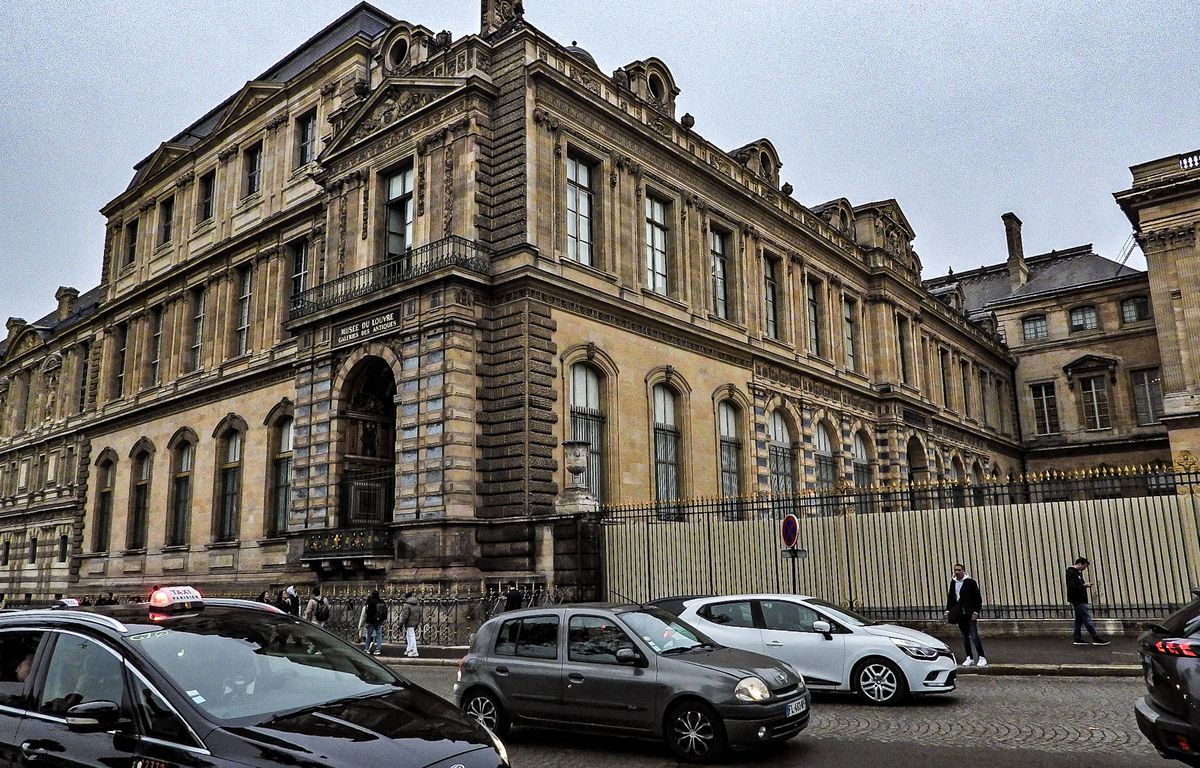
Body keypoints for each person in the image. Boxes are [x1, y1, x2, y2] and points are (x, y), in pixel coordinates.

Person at [945, 563, 986, 667]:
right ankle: (969, 657)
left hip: (970, 613)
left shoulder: (970, 582)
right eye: (955, 570)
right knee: (964, 637)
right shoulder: (953, 583)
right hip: (960, 614)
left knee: (974, 635)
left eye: (959, 570)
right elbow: (951, 597)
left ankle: (981, 657)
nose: (957, 572)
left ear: (963, 570)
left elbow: (978, 599)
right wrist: (948, 610)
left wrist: (976, 612)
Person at [1067, 556, 1110, 646]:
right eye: (1084, 566)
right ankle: (1095, 637)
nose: (1084, 569)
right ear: (1079, 564)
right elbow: (1073, 586)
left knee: (1079, 619)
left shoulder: (1076, 573)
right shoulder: (1071, 573)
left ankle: (1077, 638)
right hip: (1078, 599)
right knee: (1086, 618)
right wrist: (1084, 585)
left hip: (1080, 599)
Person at [358, 590, 386, 655]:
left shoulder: (371, 602)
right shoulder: (381, 601)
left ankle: (367, 648)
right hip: (379, 621)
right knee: (379, 636)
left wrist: (368, 622)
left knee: (368, 635)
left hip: (371, 622)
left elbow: (369, 614)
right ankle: (378, 649)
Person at [399, 591, 422, 657]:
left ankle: (414, 650)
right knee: (409, 635)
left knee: (411, 636)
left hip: (409, 622)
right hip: (415, 621)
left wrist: (401, 623)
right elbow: (420, 613)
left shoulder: (406, 605)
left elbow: (405, 616)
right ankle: (409, 648)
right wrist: (417, 621)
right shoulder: (417, 603)